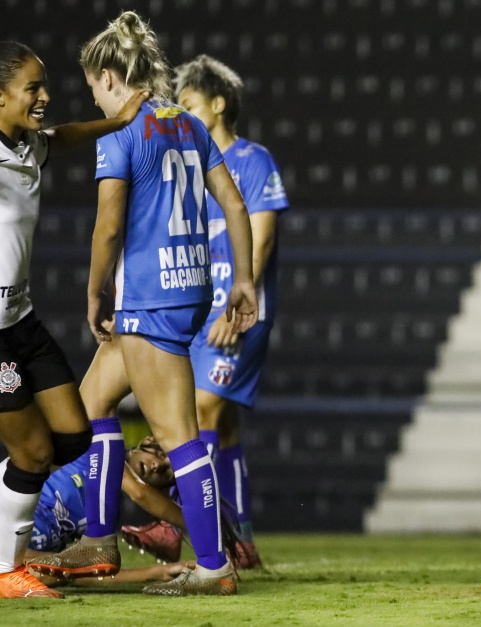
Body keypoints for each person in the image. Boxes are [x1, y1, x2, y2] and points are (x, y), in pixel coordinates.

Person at [27, 11, 258, 597]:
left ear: (108, 76)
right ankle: (100, 541)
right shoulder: (187, 122)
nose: (93, 100)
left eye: (91, 87)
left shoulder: (120, 132)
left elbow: (108, 226)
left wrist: (94, 289)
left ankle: (213, 567)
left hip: (148, 299)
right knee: (93, 402)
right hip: (190, 287)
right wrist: (245, 281)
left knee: (180, 436)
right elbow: (232, 204)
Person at [122, 54, 287, 570]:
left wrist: (236, 306)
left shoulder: (253, 160)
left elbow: (259, 242)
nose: (183, 111)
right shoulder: (193, 160)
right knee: (226, 427)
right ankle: (243, 543)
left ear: (217, 105)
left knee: (202, 413)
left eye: (190, 102)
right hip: (200, 313)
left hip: (237, 314)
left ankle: (182, 529)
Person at [0, 40, 146, 599]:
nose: (44, 96)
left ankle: (8, 498)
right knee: (33, 452)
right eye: (32, 88)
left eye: (43, 85)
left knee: (72, 433)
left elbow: (62, 138)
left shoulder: (31, 146)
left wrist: (120, 120)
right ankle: (8, 570)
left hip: (22, 321)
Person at [24, 438, 200, 588]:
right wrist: (206, 529)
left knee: (48, 572)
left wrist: (160, 572)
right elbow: (140, 493)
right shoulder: (102, 451)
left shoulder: (107, 511)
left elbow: (85, 574)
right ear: (148, 441)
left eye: (166, 474)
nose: (157, 465)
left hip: (23, 554)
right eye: (161, 455)